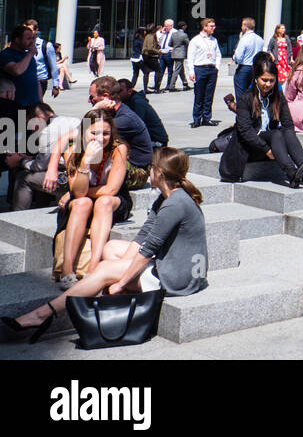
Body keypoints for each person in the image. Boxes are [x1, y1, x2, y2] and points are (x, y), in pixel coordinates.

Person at [3, 147, 208, 342]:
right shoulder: (168, 197)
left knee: (104, 270)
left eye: (152, 167)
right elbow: (144, 234)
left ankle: (41, 314)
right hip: (177, 265)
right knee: (110, 249)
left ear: (160, 173)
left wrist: (119, 281)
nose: (148, 171)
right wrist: (123, 271)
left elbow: (148, 249)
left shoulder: (175, 203)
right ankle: (98, 288)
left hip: (179, 277)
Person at [55, 109, 132, 285]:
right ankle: (67, 271)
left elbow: (111, 189)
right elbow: (80, 195)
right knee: (82, 203)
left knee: (103, 201)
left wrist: (72, 192)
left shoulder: (118, 149)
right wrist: (86, 161)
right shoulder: (73, 150)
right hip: (82, 203)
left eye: (105, 133)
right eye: (94, 132)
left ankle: (93, 267)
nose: (100, 138)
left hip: (113, 200)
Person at [220, 51, 303, 186]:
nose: (268, 84)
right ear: (256, 78)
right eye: (264, 80)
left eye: (271, 80)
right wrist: (266, 149)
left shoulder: (278, 97)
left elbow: (288, 124)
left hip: (272, 142)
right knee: (276, 134)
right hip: (251, 147)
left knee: (286, 131)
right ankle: (291, 172)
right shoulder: (245, 98)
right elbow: (246, 131)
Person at [5, 103, 80, 211]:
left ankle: (17, 215)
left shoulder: (48, 132)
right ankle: (40, 206)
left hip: (72, 180)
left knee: (23, 177)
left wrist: (19, 161)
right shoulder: (69, 120)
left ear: (39, 118)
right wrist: (29, 159)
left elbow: (40, 166)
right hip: (82, 174)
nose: (32, 131)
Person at [88, 76, 154, 189]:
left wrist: (95, 109)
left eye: (92, 97)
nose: (90, 101)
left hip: (137, 172)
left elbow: (84, 131)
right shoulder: (113, 114)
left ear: (105, 97)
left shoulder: (125, 119)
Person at [1, 24, 44, 125]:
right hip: (16, 106)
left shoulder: (29, 56)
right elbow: (16, 71)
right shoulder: (6, 55)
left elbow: (35, 80)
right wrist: (30, 54)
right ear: (16, 39)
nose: (32, 41)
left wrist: (41, 102)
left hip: (33, 105)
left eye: (33, 38)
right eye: (28, 38)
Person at [113, 78, 169, 149]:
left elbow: (135, 125)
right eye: (116, 91)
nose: (117, 94)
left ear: (130, 91)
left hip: (156, 141)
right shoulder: (126, 101)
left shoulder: (137, 103)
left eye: (120, 91)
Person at [189, 17, 221, 128]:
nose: (213, 28)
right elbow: (191, 56)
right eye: (211, 26)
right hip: (200, 68)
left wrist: (216, 67)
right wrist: (191, 71)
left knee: (209, 95)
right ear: (204, 27)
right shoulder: (196, 40)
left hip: (211, 69)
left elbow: (218, 54)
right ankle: (197, 119)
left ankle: (207, 118)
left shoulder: (214, 40)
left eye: (214, 26)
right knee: (199, 95)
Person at [23, 21, 60, 101]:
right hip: (24, 81)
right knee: (23, 105)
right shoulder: (22, 45)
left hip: (40, 81)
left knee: (34, 105)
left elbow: (53, 66)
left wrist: (55, 85)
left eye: (30, 30)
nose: (28, 32)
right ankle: (22, 114)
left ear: (36, 30)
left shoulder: (46, 46)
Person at [232, 17, 264, 97]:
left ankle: (243, 108)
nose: (241, 27)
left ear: (245, 27)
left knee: (241, 94)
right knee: (254, 93)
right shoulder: (260, 39)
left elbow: (238, 57)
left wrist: (234, 58)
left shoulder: (244, 39)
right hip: (256, 68)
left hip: (244, 68)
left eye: (242, 25)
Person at [167, 20, 190, 90]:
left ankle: (185, 83)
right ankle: (172, 86)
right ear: (183, 27)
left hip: (174, 53)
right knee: (177, 70)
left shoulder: (173, 34)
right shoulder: (184, 35)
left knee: (181, 70)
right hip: (180, 54)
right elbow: (188, 43)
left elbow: (169, 44)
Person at [140, 22, 163, 95]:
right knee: (158, 70)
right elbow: (150, 48)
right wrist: (158, 51)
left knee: (146, 72)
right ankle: (156, 88)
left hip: (146, 56)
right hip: (151, 56)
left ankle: (145, 88)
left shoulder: (147, 36)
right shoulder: (150, 36)